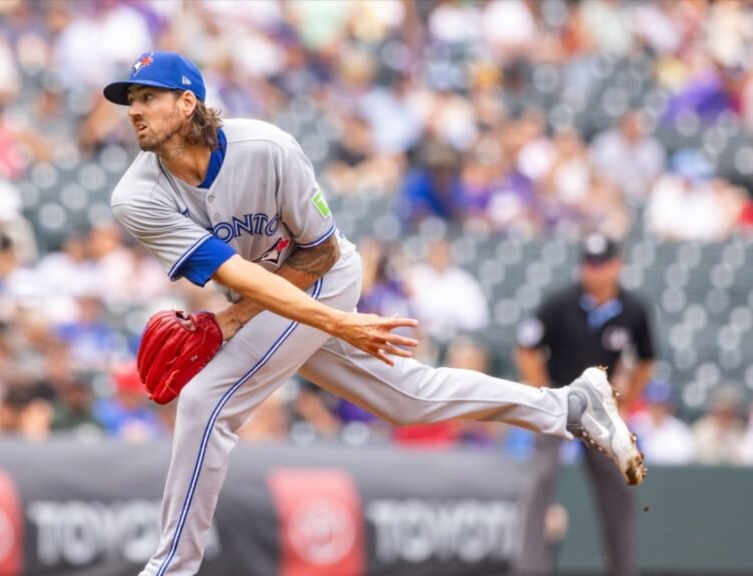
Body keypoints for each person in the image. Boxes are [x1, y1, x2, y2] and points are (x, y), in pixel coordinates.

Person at [102, 52, 645, 576]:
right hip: (268, 300)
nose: (135, 110)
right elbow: (236, 277)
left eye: (149, 97)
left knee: (206, 401)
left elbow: (321, 252)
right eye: (131, 99)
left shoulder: (267, 148)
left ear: (188, 103)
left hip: (325, 277)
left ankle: (169, 568)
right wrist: (243, 320)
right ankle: (569, 406)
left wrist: (330, 318)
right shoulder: (137, 195)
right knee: (408, 400)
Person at [513, 233, 656, 576]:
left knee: (618, 489)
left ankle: (623, 569)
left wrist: (626, 402)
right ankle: (529, 569)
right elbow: (526, 347)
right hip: (558, 401)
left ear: (617, 265)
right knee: (539, 481)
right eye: (589, 263)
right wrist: (543, 392)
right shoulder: (560, 302)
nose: (594, 271)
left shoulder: (633, 309)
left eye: (601, 263)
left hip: (599, 411)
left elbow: (647, 360)